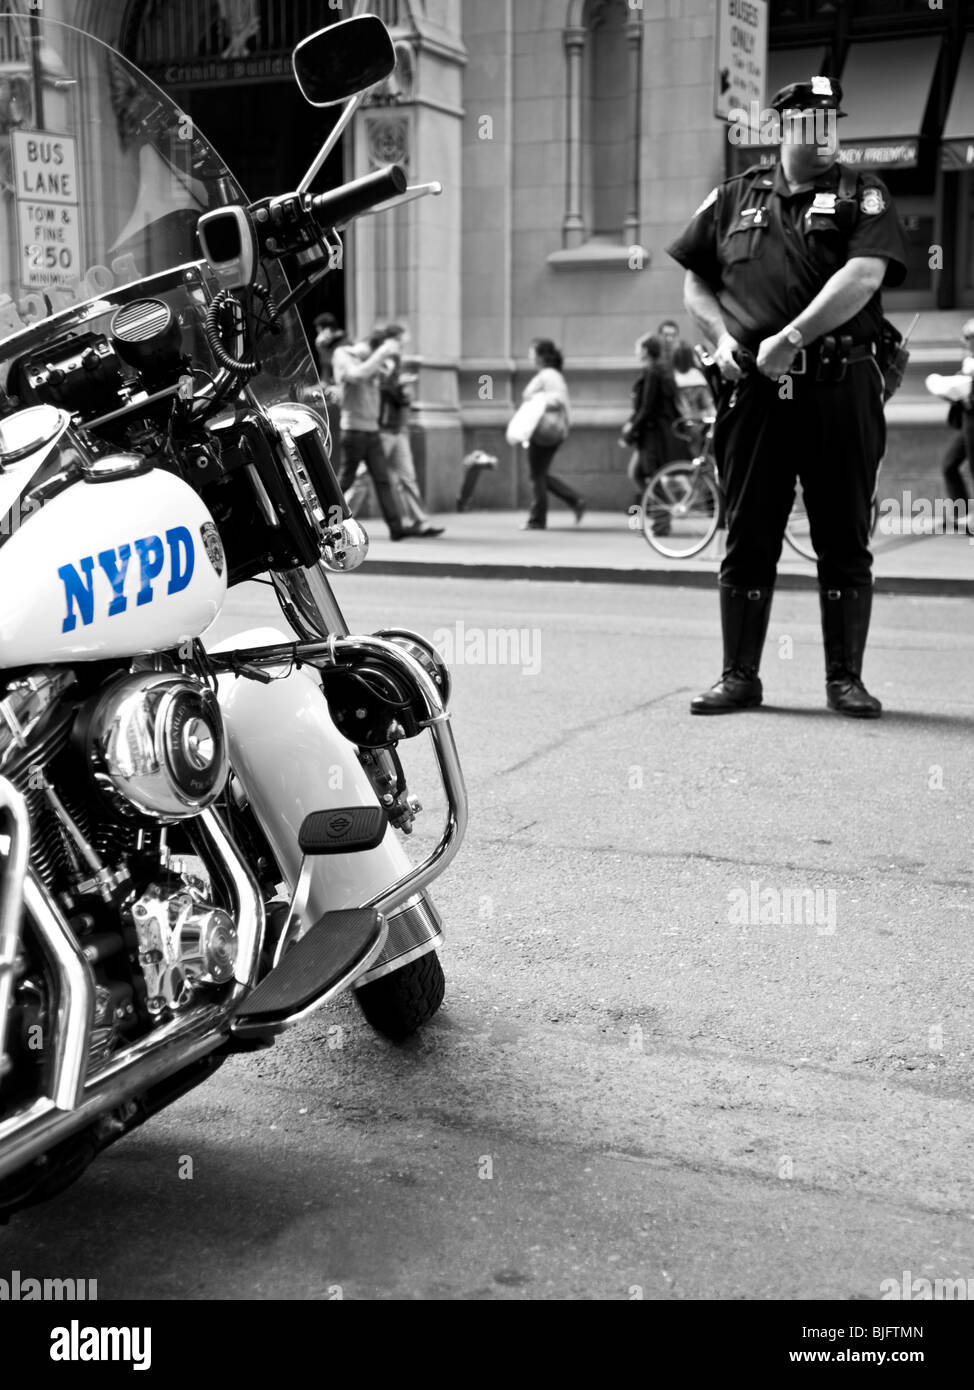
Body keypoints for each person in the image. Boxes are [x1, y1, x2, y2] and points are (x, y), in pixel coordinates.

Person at [666, 74, 908, 719]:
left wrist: (792, 335)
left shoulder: (864, 194)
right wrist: (720, 339)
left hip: (840, 385)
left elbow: (864, 277)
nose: (827, 135)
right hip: (755, 393)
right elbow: (697, 282)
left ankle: (844, 680)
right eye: (812, 123)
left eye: (834, 122)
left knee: (843, 535)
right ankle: (739, 675)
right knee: (749, 533)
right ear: (781, 128)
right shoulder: (732, 197)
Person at [332, 330, 408, 541]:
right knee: (345, 481)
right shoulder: (343, 354)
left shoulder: (374, 361)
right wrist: (382, 353)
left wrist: (392, 362)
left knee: (383, 481)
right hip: (353, 431)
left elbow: (387, 380)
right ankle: (329, 526)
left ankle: (397, 529)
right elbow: (357, 375)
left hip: (373, 432)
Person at [374, 323, 444, 537]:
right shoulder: (382, 359)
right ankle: (334, 520)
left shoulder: (394, 360)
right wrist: (401, 388)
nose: (403, 344)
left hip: (397, 428)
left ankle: (419, 522)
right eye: (401, 339)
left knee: (408, 477)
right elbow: (383, 388)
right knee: (361, 477)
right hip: (383, 428)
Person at [520, 338, 585, 530]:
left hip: (545, 430)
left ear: (541, 356)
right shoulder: (551, 375)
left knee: (536, 475)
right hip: (550, 431)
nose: (529, 357)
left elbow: (556, 400)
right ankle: (574, 500)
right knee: (539, 474)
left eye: (532, 353)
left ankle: (538, 519)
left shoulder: (548, 375)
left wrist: (537, 402)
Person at [621, 334, 681, 508]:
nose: (635, 352)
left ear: (646, 351)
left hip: (653, 432)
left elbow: (647, 407)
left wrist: (631, 430)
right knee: (638, 473)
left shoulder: (652, 372)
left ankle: (662, 515)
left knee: (649, 474)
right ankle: (662, 511)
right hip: (654, 430)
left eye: (637, 348)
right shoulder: (657, 370)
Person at [943, 318, 974, 512]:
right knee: (949, 464)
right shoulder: (969, 362)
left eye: (969, 337)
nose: (966, 341)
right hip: (967, 420)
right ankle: (962, 513)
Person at [313, 312, 345, 462]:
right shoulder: (327, 345)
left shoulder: (344, 344)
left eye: (320, 330)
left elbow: (336, 367)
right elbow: (325, 375)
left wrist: (321, 349)